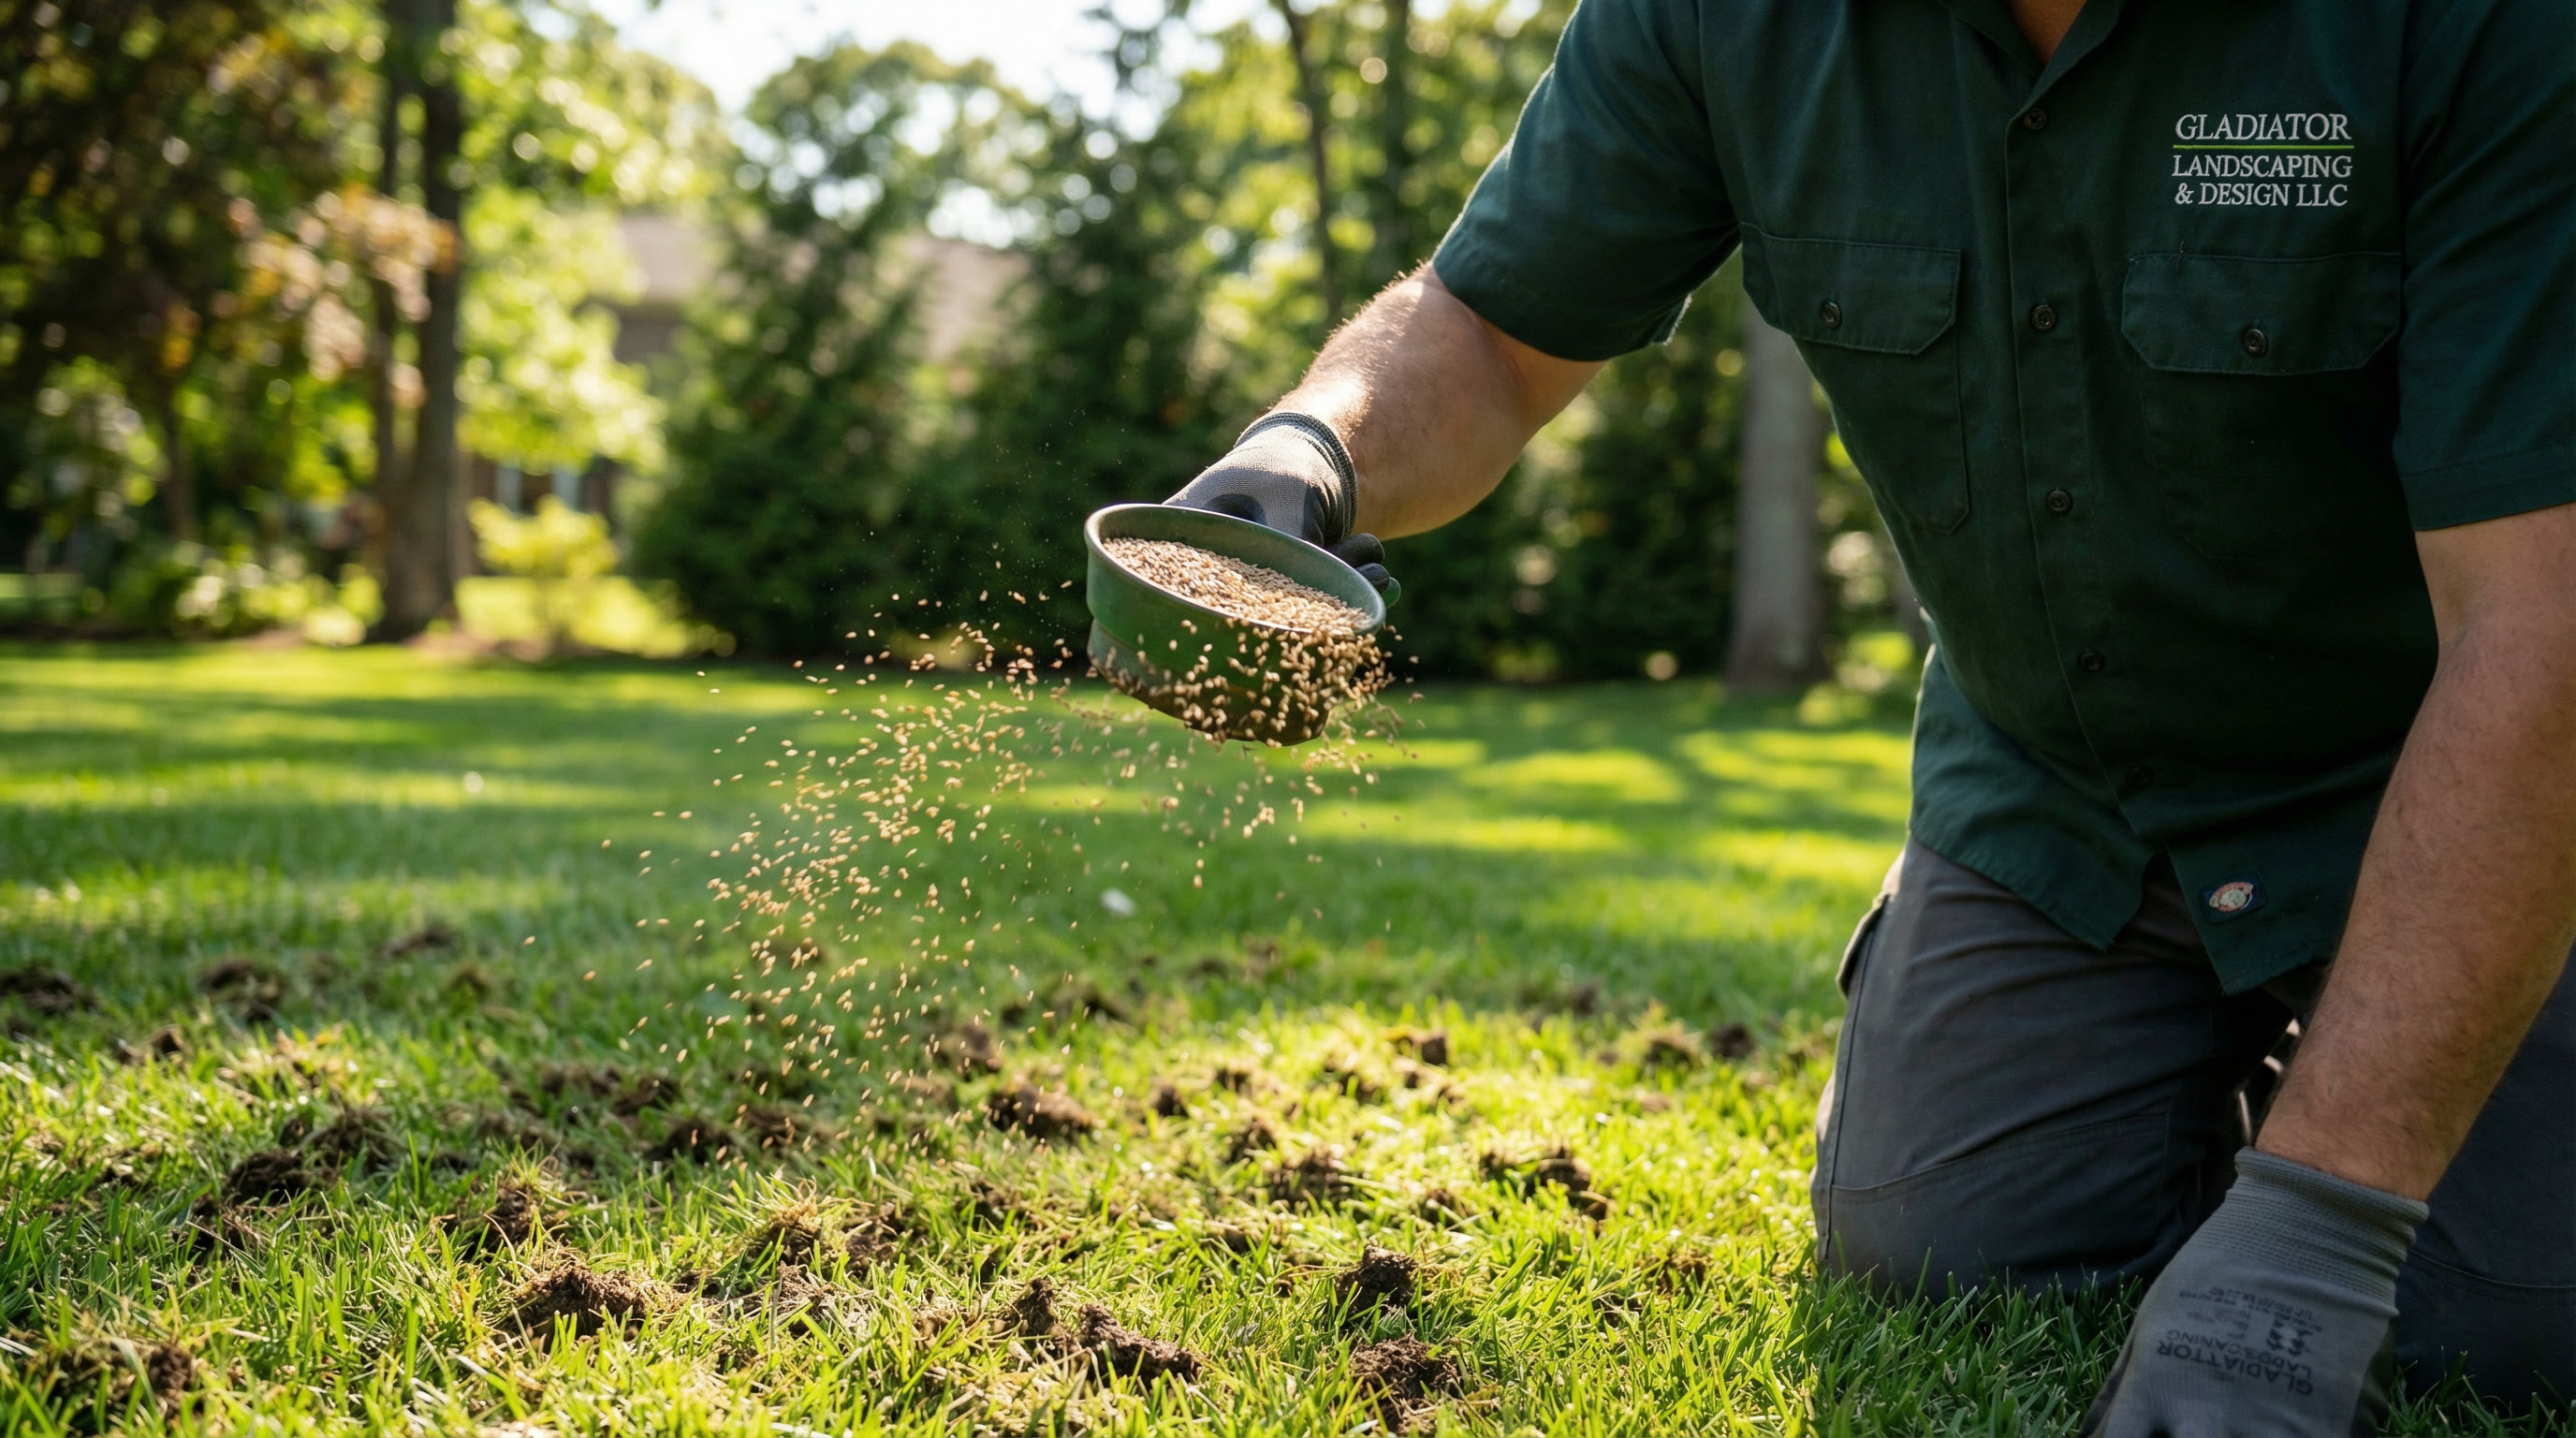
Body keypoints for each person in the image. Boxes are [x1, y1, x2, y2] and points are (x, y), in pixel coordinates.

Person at [1164, 0, 2574, 1430]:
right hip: (2059, 799)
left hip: (2449, 780)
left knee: (2511, 1328)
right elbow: (1487, 331)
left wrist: (2316, 1231)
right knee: (1945, 1253)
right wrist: (1308, 448)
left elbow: (2543, 620)